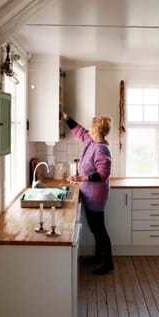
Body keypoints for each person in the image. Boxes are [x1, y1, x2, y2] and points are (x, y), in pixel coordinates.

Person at [61, 111, 114, 275]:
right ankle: (98, 257)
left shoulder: (101, 150)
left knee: (99, 229)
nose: (88, 130)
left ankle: (108, 263)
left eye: (91, 128)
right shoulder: (91, 141)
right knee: (95, 228)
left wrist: (80, 177)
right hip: (89, 193)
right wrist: (66, 117)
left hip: (96, 196)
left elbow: (102, 174)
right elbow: (79, 131)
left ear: (97, 130)